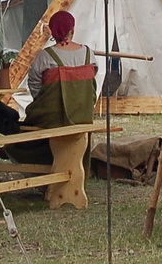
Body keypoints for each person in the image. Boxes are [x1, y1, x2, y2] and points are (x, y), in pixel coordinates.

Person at [11, 10, 98, 165]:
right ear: (73, 30)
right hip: (83, 116)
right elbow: (90, 86)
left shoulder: (45, 56)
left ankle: (43, 168)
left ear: (52, 31)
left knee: (23, 130)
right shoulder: (88, 54)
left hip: (50, 117)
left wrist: (50, 100)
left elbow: (36, 88)